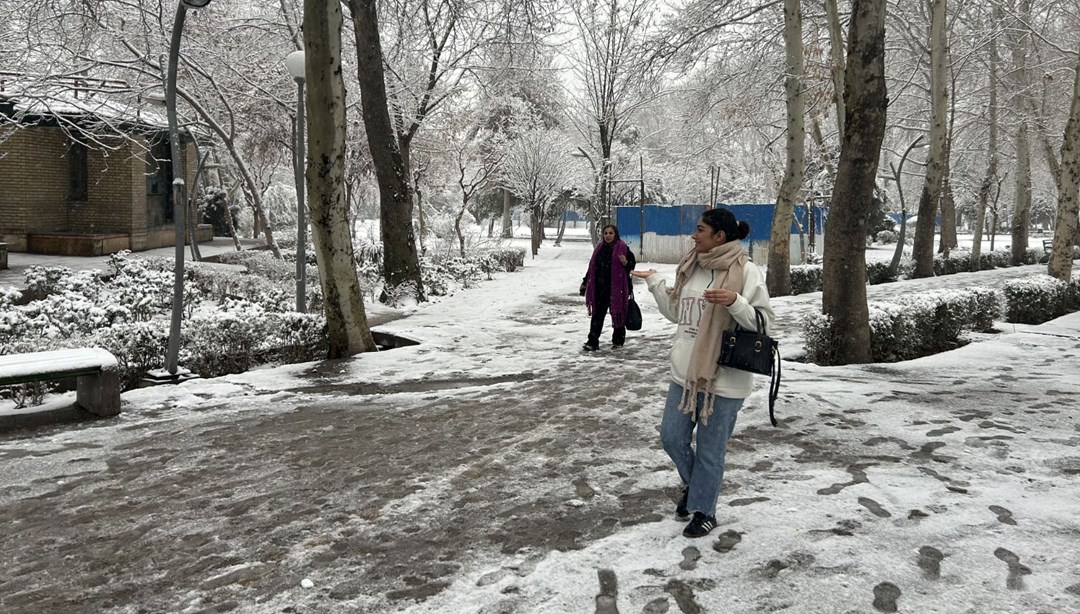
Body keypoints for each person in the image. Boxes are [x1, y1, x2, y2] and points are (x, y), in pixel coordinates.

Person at [630, 207, 774, 538]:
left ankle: (703, 510)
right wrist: (655, 282)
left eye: (699, 230)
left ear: (719, 236)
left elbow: (765, 323)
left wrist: (735, 302)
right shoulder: (692, 267)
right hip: (686, 375)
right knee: (672, 437)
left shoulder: (747, 272)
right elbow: (677, 314)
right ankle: (698, 489)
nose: (693, 236)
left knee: (710, 450)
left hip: (725, 381)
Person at [580, 224, 636, 351]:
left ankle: (618, 340)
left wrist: (625, 262)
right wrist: (584, 282)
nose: (608, 235)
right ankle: (592, 341)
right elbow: (591, 268)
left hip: (617, 289)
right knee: (597, 316)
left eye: (611, 233)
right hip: (600, 288)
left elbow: (631, 267)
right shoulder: (599, 249)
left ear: (615, 234)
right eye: (605, 233)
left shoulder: (623, 248)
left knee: (617, 313)